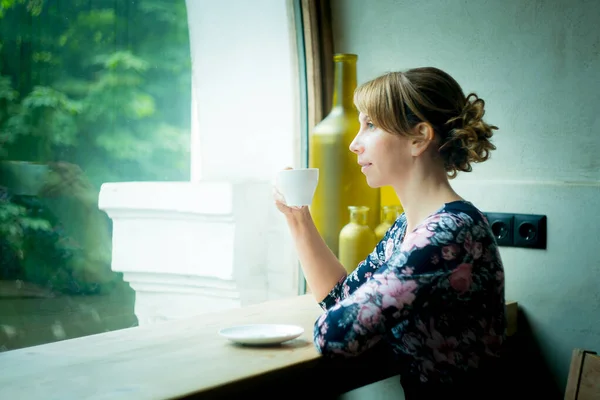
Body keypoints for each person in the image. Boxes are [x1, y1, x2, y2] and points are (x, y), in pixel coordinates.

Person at [273, 67, 506, 399]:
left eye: (370, 125)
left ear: (419, 138)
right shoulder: (410, 228)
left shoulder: (449, 234)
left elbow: (336, 336)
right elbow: (340, 298)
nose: (355, 144)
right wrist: (297, 217)